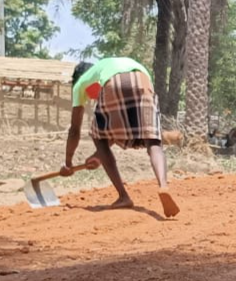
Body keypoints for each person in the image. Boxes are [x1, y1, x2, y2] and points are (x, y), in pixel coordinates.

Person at [61, 57, 179, 217]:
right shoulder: (103, 68)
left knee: (97, 135)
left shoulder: (81, 82)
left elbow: (74, 131)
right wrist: (98, 156)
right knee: (153, 140)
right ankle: (163, 186)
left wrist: (68, 163)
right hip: (143, 81)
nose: (90, 98)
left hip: (114, 82)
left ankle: (123, 196)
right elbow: (116, 129)